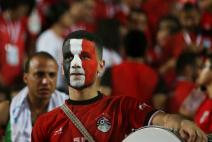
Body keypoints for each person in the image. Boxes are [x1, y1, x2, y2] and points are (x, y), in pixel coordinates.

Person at [31, 30, 207, 142]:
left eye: (84, 56)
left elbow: (165, 119)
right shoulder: (45, 124)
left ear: (101, 65)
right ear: (62, 68)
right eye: (69, 57)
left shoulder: (123, 107)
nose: (76, 64)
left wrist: (183, 122)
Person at [0, 52, 68, 142]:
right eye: (39, 74)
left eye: (51, 75)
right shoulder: (8, 109)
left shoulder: (70, 108)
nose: (45, 81)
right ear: (25, 78)